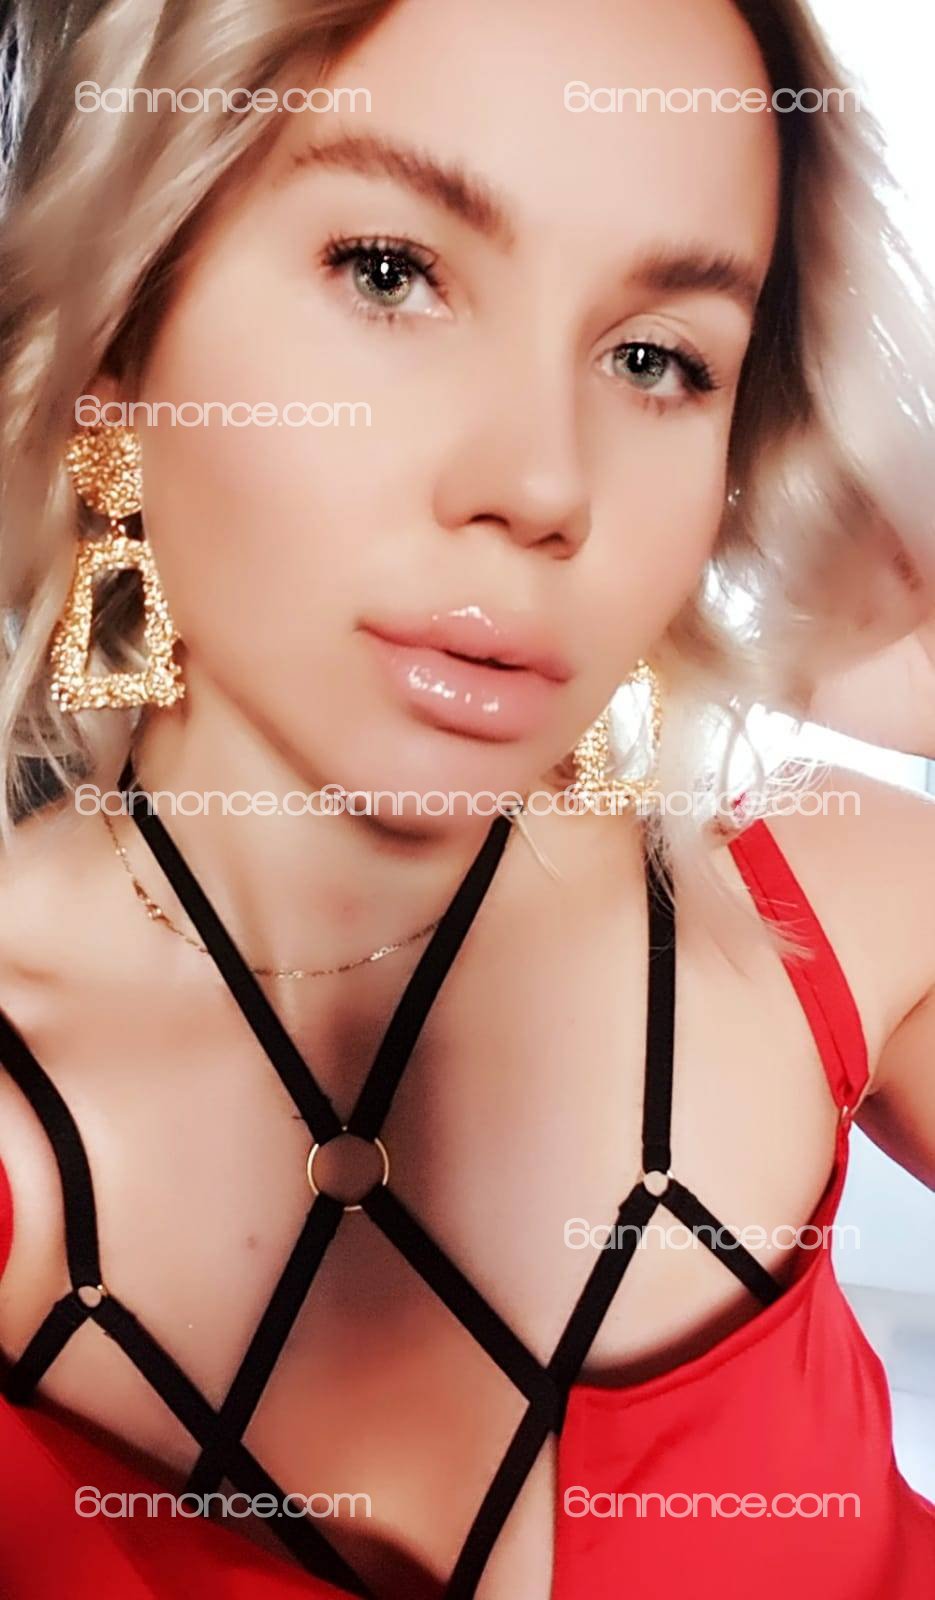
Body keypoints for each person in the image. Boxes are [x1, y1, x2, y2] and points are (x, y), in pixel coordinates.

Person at [0, 0, 933, 1596]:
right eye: (390, 272)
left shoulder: (827, 921)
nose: (546, 483)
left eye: (657, 358)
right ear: (122, 338)